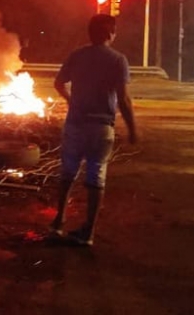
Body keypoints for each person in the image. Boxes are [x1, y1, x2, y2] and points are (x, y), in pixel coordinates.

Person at [51, 14, 137, 246]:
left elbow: (58, 83)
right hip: (101, 127)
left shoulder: (77, 56)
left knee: (67, 173)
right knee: (96, 176)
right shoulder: (118, 60)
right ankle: (87, 233)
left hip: (75, 124)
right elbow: (124, 99)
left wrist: (70, 100)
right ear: (110, 34)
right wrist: (132, 129)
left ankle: (59, 221)